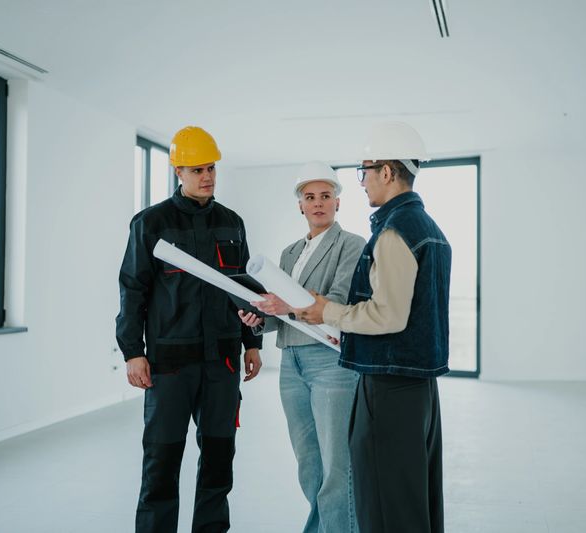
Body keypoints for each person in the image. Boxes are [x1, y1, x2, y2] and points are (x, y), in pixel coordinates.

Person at [293, 122, 451, 533]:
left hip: (389, 386)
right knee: (413, 498)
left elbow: (388, 315)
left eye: (364, 171)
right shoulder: (430, 230)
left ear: (386, 171)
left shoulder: (395, 232)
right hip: (418, 388)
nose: (360, 183)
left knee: (384, 501)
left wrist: (328, 311)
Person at [116, 125, 262, 533]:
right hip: (169, 366)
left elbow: (246, 290)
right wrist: (132, 351)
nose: (207, 176)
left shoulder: (232, 223)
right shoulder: (150, 223)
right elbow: (132, 289)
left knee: (219, 464)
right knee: (161, 465)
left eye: (211, 167)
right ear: (178, 171)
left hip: (223, 365)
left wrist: (252, 342)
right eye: (197, 169)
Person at [240, 161, 365, 532]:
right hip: (291, 362)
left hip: (331, 363)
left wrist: (288, 305)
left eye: (326, 196)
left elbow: (338, 302)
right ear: (300, 205)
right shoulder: (290, 253)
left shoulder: (351, 245)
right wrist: (260, 319)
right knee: (309, 463)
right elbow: (284, 314)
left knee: (336, 465)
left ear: (338, 202)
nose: (318, 203)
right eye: (309, 197)